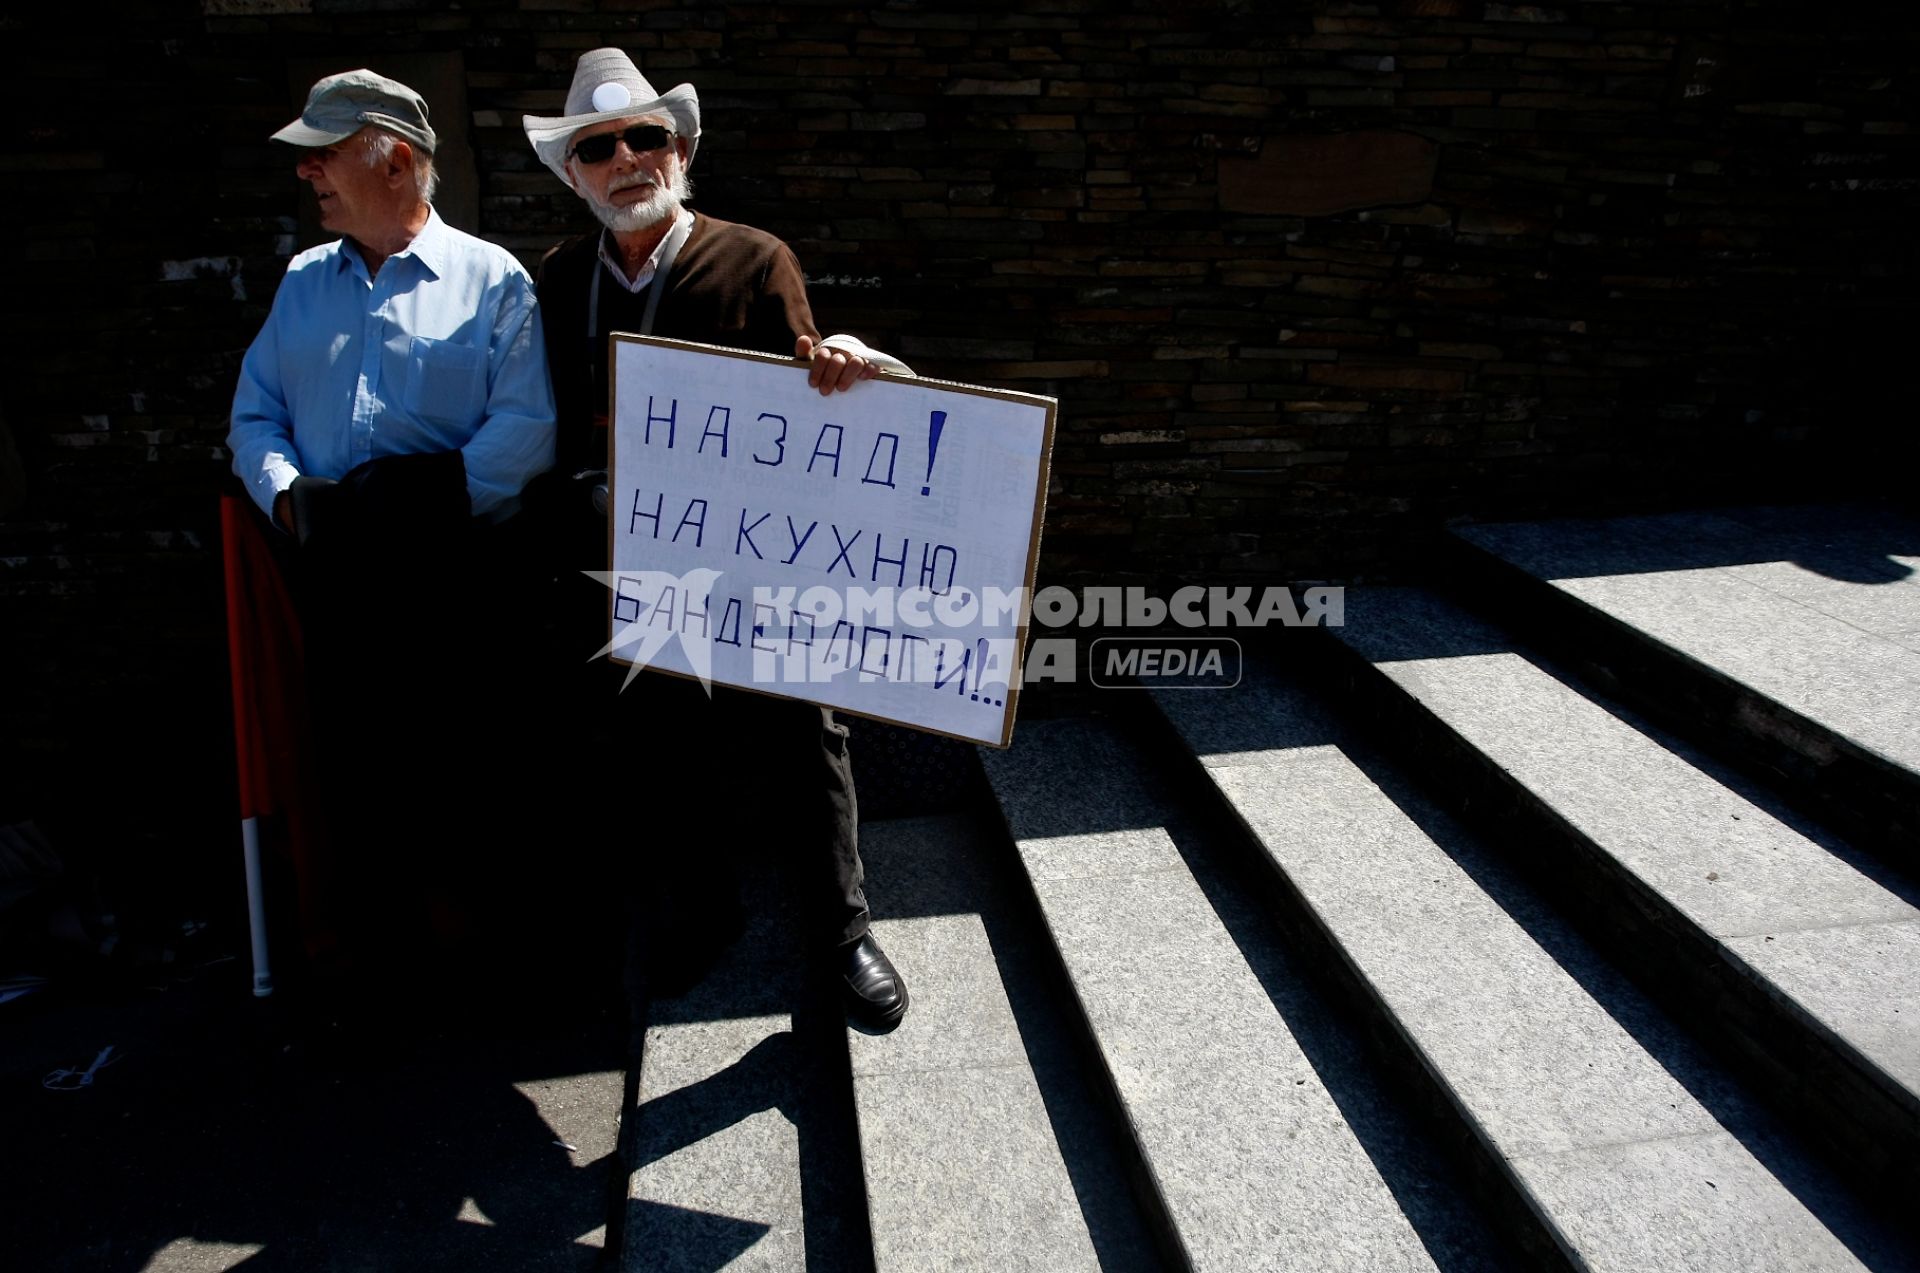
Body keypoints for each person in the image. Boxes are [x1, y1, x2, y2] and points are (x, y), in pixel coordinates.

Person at [521, 48, 911, 1028]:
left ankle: (844, 930)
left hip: (754, 553)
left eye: (645, 136)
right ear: (575, 171)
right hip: (623, 557)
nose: (627, 158)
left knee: (803, 725)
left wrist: (859, 363)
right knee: (653, 742)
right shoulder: (559, 282)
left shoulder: (752, 258)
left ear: (680, 148)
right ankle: (707, 914)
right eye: (600, 146)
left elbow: (826, 404)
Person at [227, 69, 557, 981]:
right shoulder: (302, 283)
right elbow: (253, 418)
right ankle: (378, 971)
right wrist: (294, 497)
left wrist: (417, 503)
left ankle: (484, 974)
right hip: (335, 572)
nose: (309, 174)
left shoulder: (493, 281)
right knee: (352, 775)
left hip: (450, 573)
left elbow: (526, 436)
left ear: (398, 160)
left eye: (325, 154)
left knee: (463, 773)